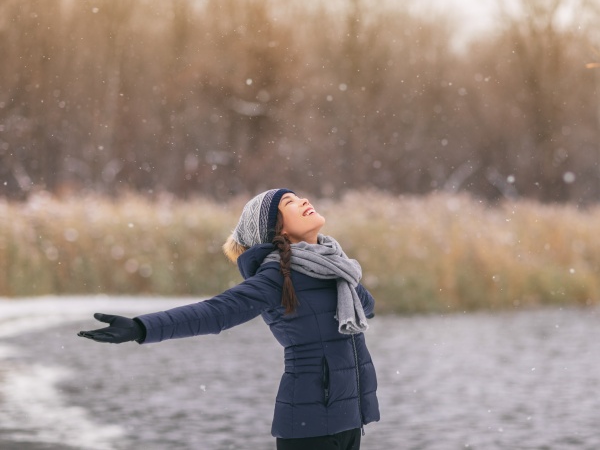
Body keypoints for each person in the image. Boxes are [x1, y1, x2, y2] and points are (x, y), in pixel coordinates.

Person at [78, 188, 380, 449]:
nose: (303, 201)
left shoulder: (334, 265)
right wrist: (141, 327)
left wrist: (340, 270)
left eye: (299, 196)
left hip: (349, 418)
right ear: (279, 229)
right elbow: (216, 312)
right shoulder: (276, 276)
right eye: (289, 202)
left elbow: (367, 308)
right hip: (309, 423)